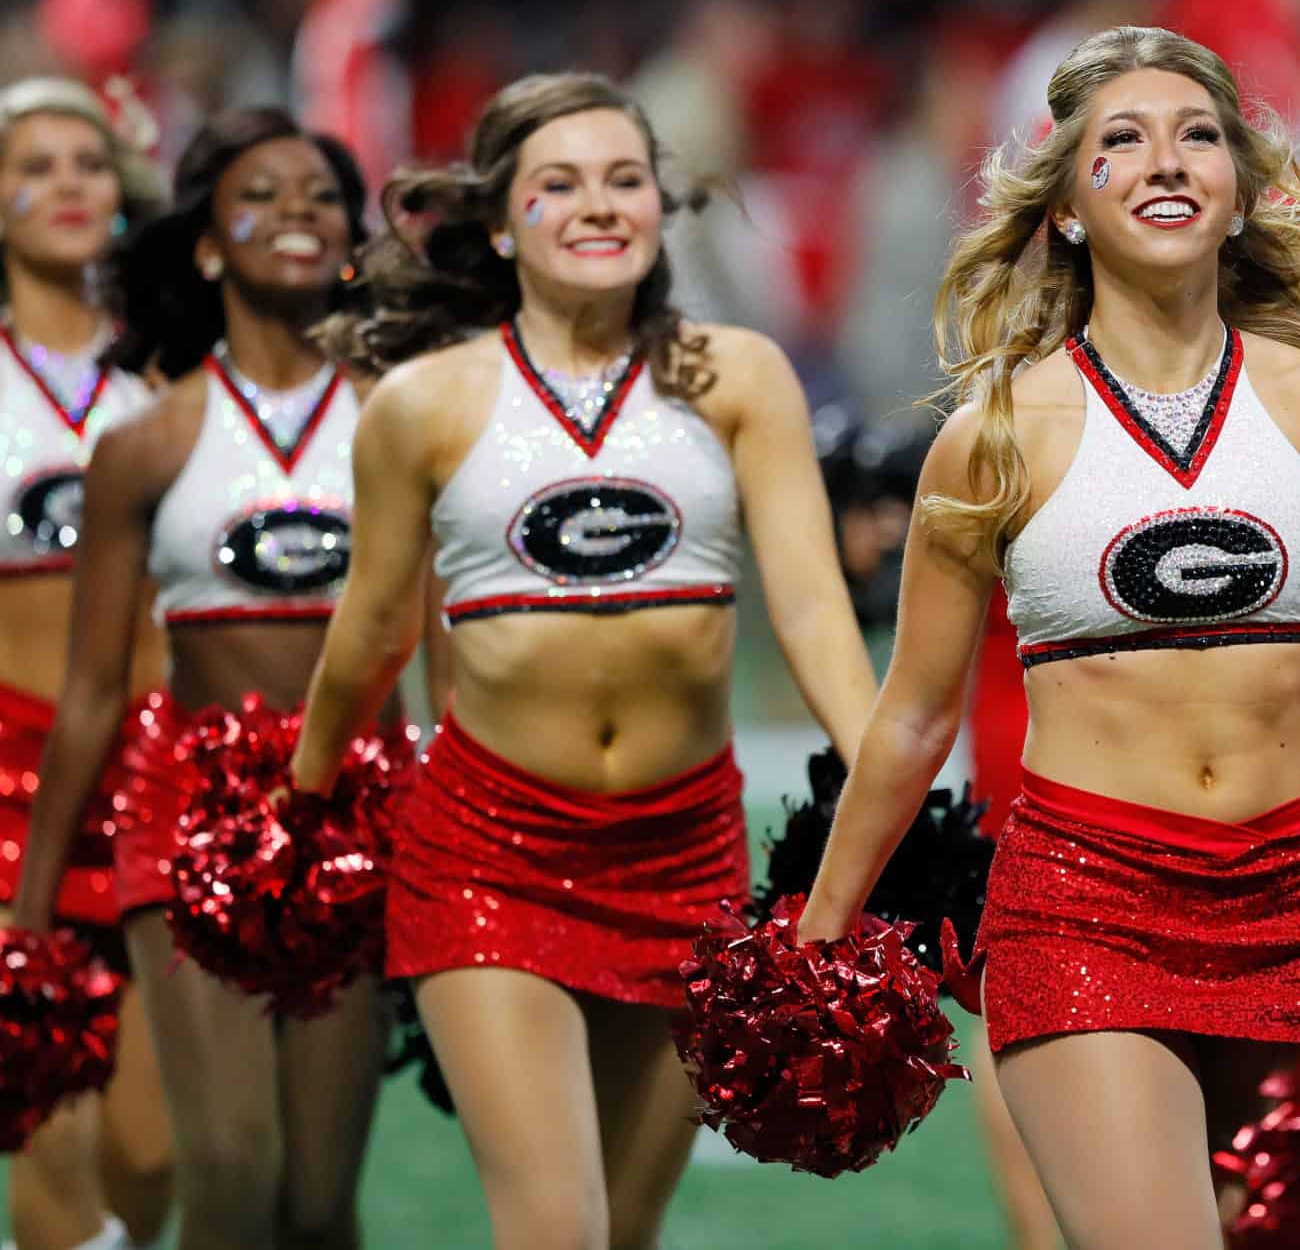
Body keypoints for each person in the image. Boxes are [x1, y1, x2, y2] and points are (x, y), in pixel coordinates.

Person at [799, 25, 1300, 1250]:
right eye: (1120, 141)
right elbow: (913, 715)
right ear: (1066, 209)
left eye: (1196, 137)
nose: (1165, 161)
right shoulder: (994, 435)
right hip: (1083, 909)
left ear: (1237, 192)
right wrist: (816, 939)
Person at [288, 72, 877, 1250]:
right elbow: (372, 630)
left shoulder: (735, 374)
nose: (597, 205)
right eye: (557, 185)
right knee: (556, 1228)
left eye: (623, 180)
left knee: (625, 1231)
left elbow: (812, 610)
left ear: (661, 205)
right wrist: (301, 808)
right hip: (487, 853)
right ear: (502, 223)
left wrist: (885, 777)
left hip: (686, 855)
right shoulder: (423, 401)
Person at [13, 107, 388, 1250]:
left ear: (351, 241)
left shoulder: (403, 420)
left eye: (319, 197)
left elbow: (425, 665)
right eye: (258, 197)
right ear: (210, 246)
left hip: (352, 816)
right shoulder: (147, 442)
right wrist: (29, 916)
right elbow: (93, 689)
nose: (294, 214)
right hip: (182, 818)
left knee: (315, 1204)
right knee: (225, 1164)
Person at [0, 77, 173, 1250]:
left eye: (89, 163)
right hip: (5, 784)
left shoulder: (171, 375)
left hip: (152, 780)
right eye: (35, 165)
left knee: (150, 1154)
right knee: (46, 1131)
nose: (67, 184)